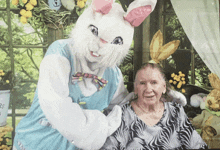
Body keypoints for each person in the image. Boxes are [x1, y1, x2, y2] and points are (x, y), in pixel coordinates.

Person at [101, 62, 208, 149]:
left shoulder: (175, 112)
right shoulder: (122, 115)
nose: (148, 89)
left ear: (164, 87)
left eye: (154, 83)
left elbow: (198, 146)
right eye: (142, 83)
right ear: (136, 89)